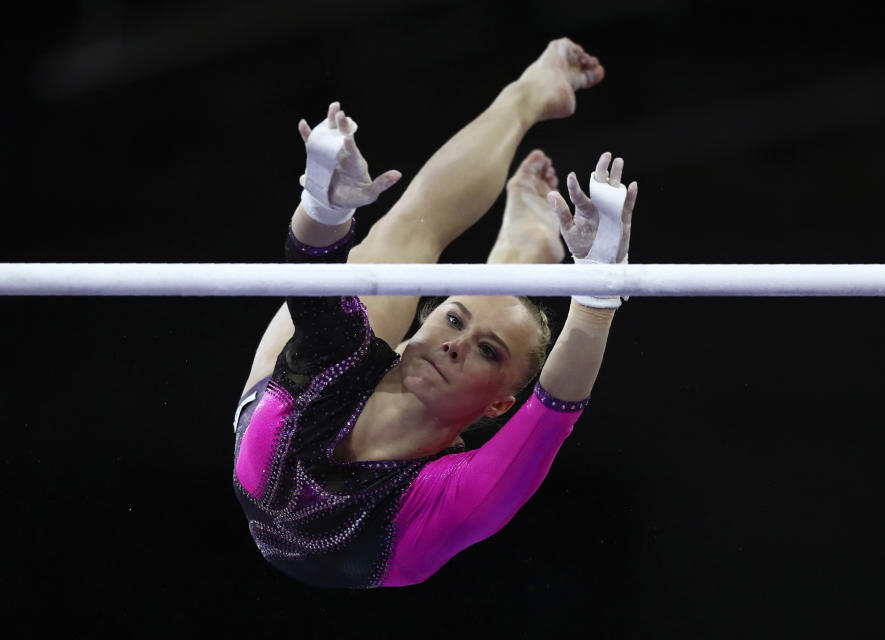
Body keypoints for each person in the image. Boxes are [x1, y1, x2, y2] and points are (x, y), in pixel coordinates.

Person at [232, 38, 638, 588]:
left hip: (291, 433)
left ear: (500, 402)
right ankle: (529, 97)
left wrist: (596, 298)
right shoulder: (342, 358)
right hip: (323, 394)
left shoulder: (446, 500)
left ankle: (518, 258)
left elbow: (554, 413)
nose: (456, 343)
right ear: (408, 336)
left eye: (487, 351)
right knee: (405, 234)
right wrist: (323, 204)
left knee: (389, 274)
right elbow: (313, 272)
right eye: (451, 319)